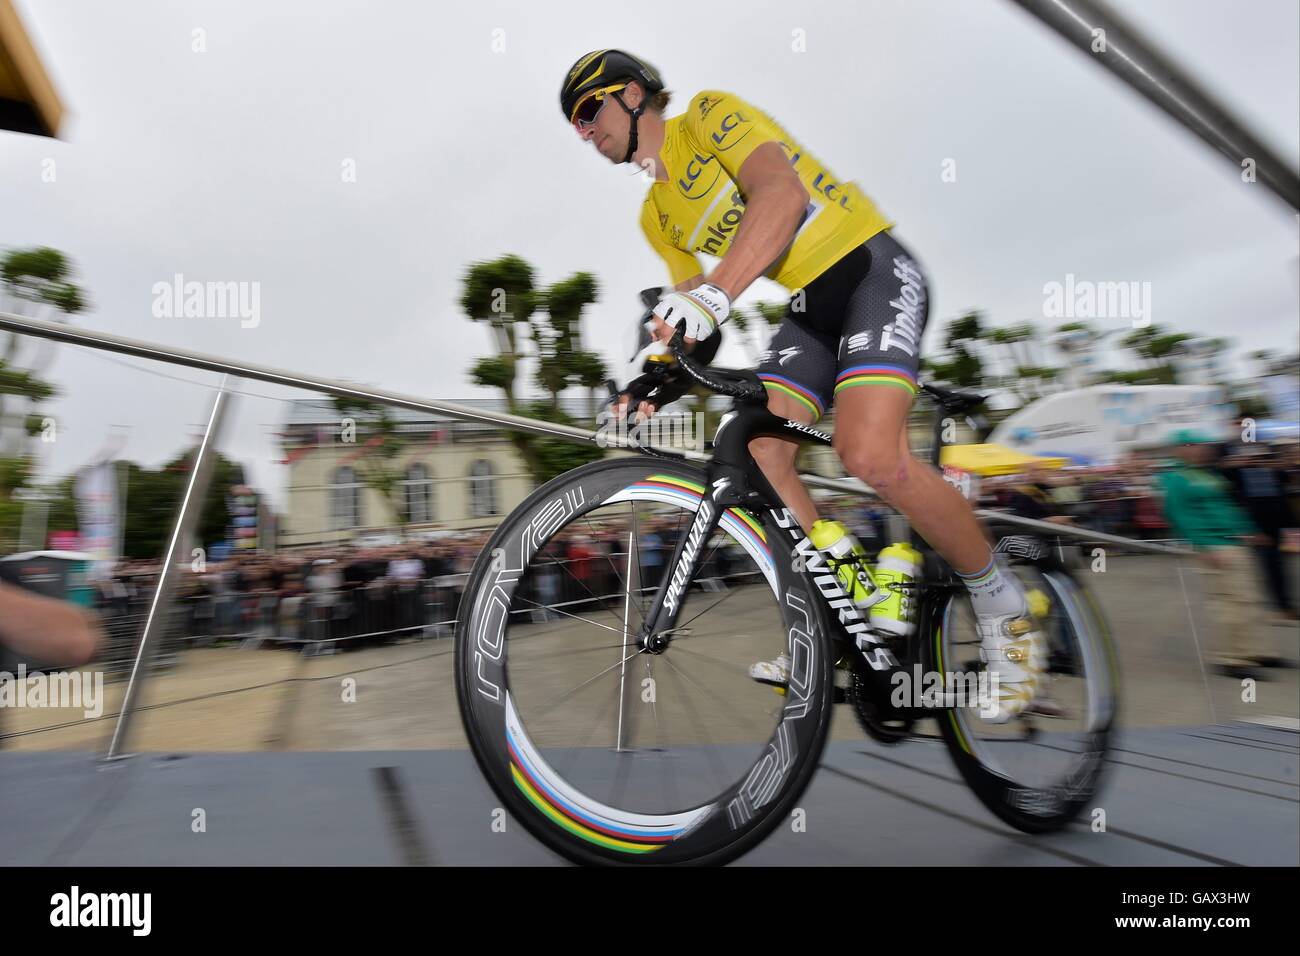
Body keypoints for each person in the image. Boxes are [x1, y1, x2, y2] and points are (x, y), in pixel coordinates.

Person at [563, 50, 1047, 721]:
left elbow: (782, 197)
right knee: (759, 446)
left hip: (871, 270)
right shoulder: (657, 215)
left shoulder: (706, 116)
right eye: (574, 126)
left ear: (637, 94)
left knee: (869, 453)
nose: (585, 131)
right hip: (810, 310)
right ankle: (854, 602)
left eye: (589, 110)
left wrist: (716, 293)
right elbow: (690, 317)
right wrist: (652, 379)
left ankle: (1008, 612)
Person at [1156, 430, 1272, 679]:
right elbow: (1178, 514)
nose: (1201, 449)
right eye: (1194, 445)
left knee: (1249, 600)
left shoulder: (1209, 474)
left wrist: (1247, 529)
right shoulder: (1176, 479)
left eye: (1202, 444)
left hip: (1233, 542)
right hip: (1215, 546)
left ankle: (1254, 651)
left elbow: (1227, 505)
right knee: (1229, 603)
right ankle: (1232, 658)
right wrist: (1204, 544)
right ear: (1180, 449)